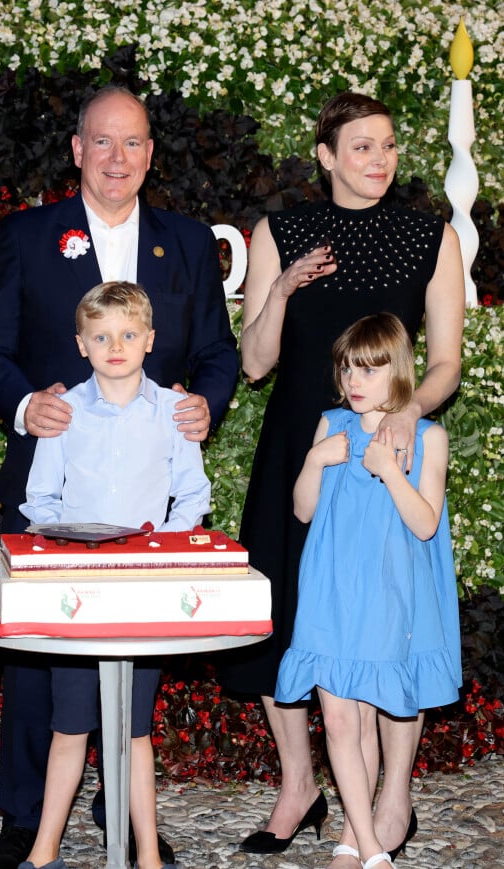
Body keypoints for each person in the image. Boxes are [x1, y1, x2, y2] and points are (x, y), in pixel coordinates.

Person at [0, 85, 238, 869]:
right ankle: (25, 820)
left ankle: (124, 806)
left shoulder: (187, 242)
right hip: (53, 485)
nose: (119, 158)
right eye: (103, 143)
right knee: (38, 662)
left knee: (136, 658)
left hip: (145, 503)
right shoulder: (27, 234)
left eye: (134, 143)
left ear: (150, 152)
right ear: (77, 150)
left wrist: (204, 407)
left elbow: (217, 354)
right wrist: (26, 406)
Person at [223, 92, 465, 865]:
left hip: (387, 456)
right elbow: (254, 361)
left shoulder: (432, 237)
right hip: (303, 444)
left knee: (390, 623)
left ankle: (394, 794)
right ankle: (300, 783)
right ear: (326, 156)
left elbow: (446, 363)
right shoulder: (281, 232)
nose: (379, 160)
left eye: (389, 145)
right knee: (281, 613)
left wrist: (405, 415)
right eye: (361, 147)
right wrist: (284, 289)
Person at [16, 280, 211, 869]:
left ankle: (147, 854)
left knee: (133, 733)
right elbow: (41, 499)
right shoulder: (65, 413)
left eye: (128, 334)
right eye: (102, 336)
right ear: (82, 344)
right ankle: (43, 849)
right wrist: (62, 550)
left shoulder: (173, 414)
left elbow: (193, 495)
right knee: (70, 727)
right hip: (79, 592)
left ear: (150, 340)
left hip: (144, 589)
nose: (116, 345)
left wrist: (167, 552)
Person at [275, 312, 461, 869]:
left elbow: (425, 524)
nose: (356, 381)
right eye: (350, 369)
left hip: (386, 593)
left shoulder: (429, 437)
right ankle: (366, 843)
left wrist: (390, 471)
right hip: (329, 588)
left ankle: (365, 838)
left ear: (398, 373)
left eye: (371, 370)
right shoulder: (331, 426)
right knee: (336, 718)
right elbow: (303, 509)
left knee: (375, 704)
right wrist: (314, 460)